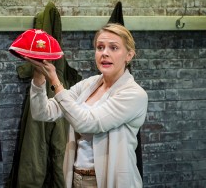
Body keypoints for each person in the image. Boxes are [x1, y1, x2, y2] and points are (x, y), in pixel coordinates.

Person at [26, 23, 148, 188]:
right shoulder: (89, 85)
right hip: (77, 177)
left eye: (113, 48)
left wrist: (54, 80)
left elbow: (88, 123)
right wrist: (39, 77)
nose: (104, 53)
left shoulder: (134, 94)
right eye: (100, 47)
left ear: (129, 55)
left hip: (108, 181)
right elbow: (43, 112)